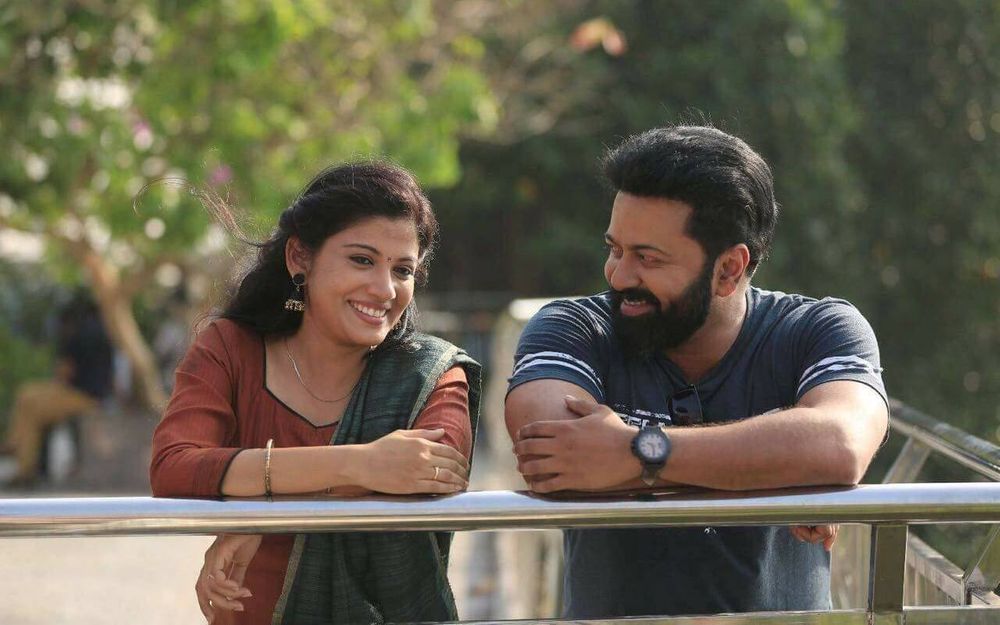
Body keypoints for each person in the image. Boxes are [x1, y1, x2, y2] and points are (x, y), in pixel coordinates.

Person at [505, 126, 888, 618]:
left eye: (647, 258)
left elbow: (838, 444)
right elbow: (553, 455)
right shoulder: (574, 327)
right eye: (615, 249)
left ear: (728, 269)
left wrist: (639, 450)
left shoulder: (819, 329)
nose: (619, 276)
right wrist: (780, 472)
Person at [149, 162, 482, 625]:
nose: (384, 289)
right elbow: (174, 467)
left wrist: (261, 509)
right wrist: (359, 463)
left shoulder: (430, 376)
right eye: (362, 260)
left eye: (403, 270)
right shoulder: (231, 349)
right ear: (299, 258)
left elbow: (429, 474)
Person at [2, 298, 113, 486]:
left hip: (81, 397)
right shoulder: (104, 333)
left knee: (29, 402)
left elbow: (64, 373)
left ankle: (21, 458)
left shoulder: (75, 336)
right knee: (28, 396)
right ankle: (16, 445)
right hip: (97, 396)